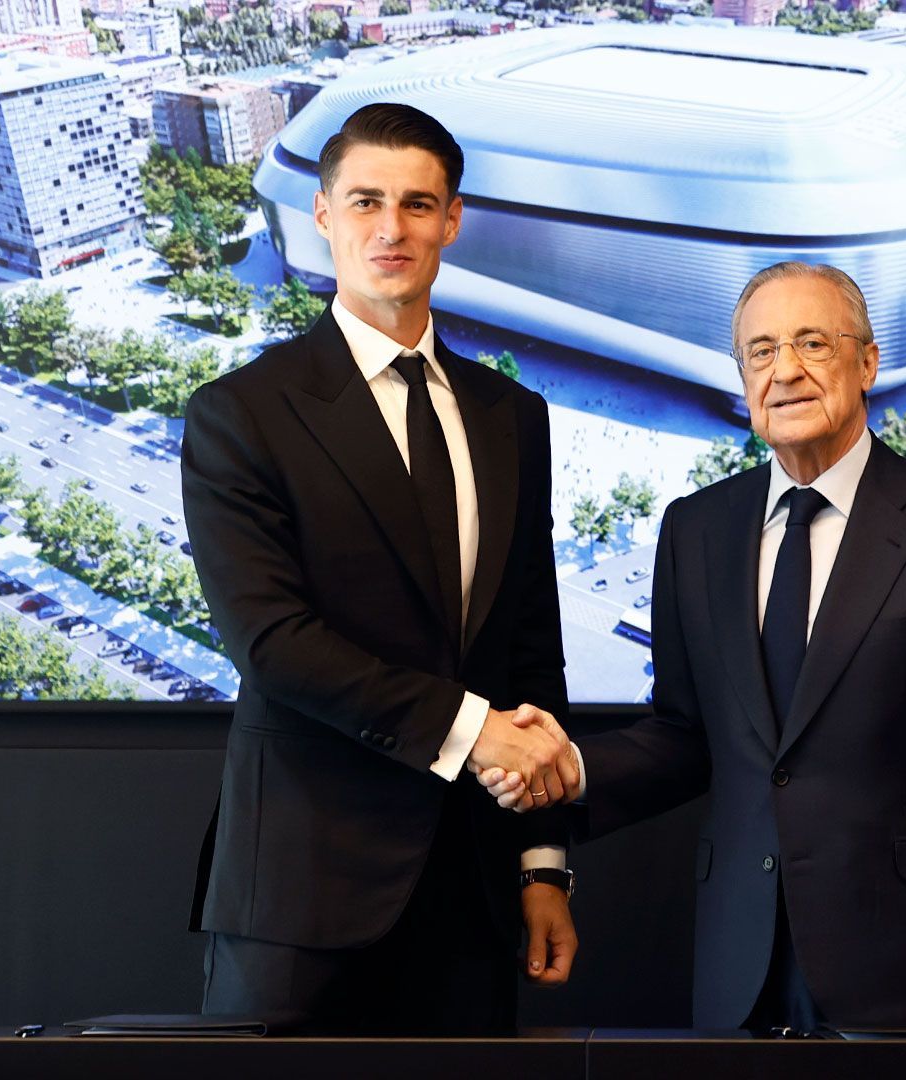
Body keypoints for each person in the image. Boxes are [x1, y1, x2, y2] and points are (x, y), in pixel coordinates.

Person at [482, 262, 906, 1030]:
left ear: (867, 363)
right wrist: (572, 767)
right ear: (743, 378)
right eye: (762, 351)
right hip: (735, 961)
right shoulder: (694, 529)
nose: (787, 371)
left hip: (904, 965)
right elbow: (685, 734)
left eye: (813, 342)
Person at [180, 102, 579, 1035]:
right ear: (323, 214)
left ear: (451, 220)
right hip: (301, 899)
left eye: (416, 203)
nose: (390, 228)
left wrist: (542, 864)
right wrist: (474, 732)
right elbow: (273, 646)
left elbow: (531, 653)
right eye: (366, 201)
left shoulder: (511, 417)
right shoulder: (242, 414)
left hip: (475, 895)